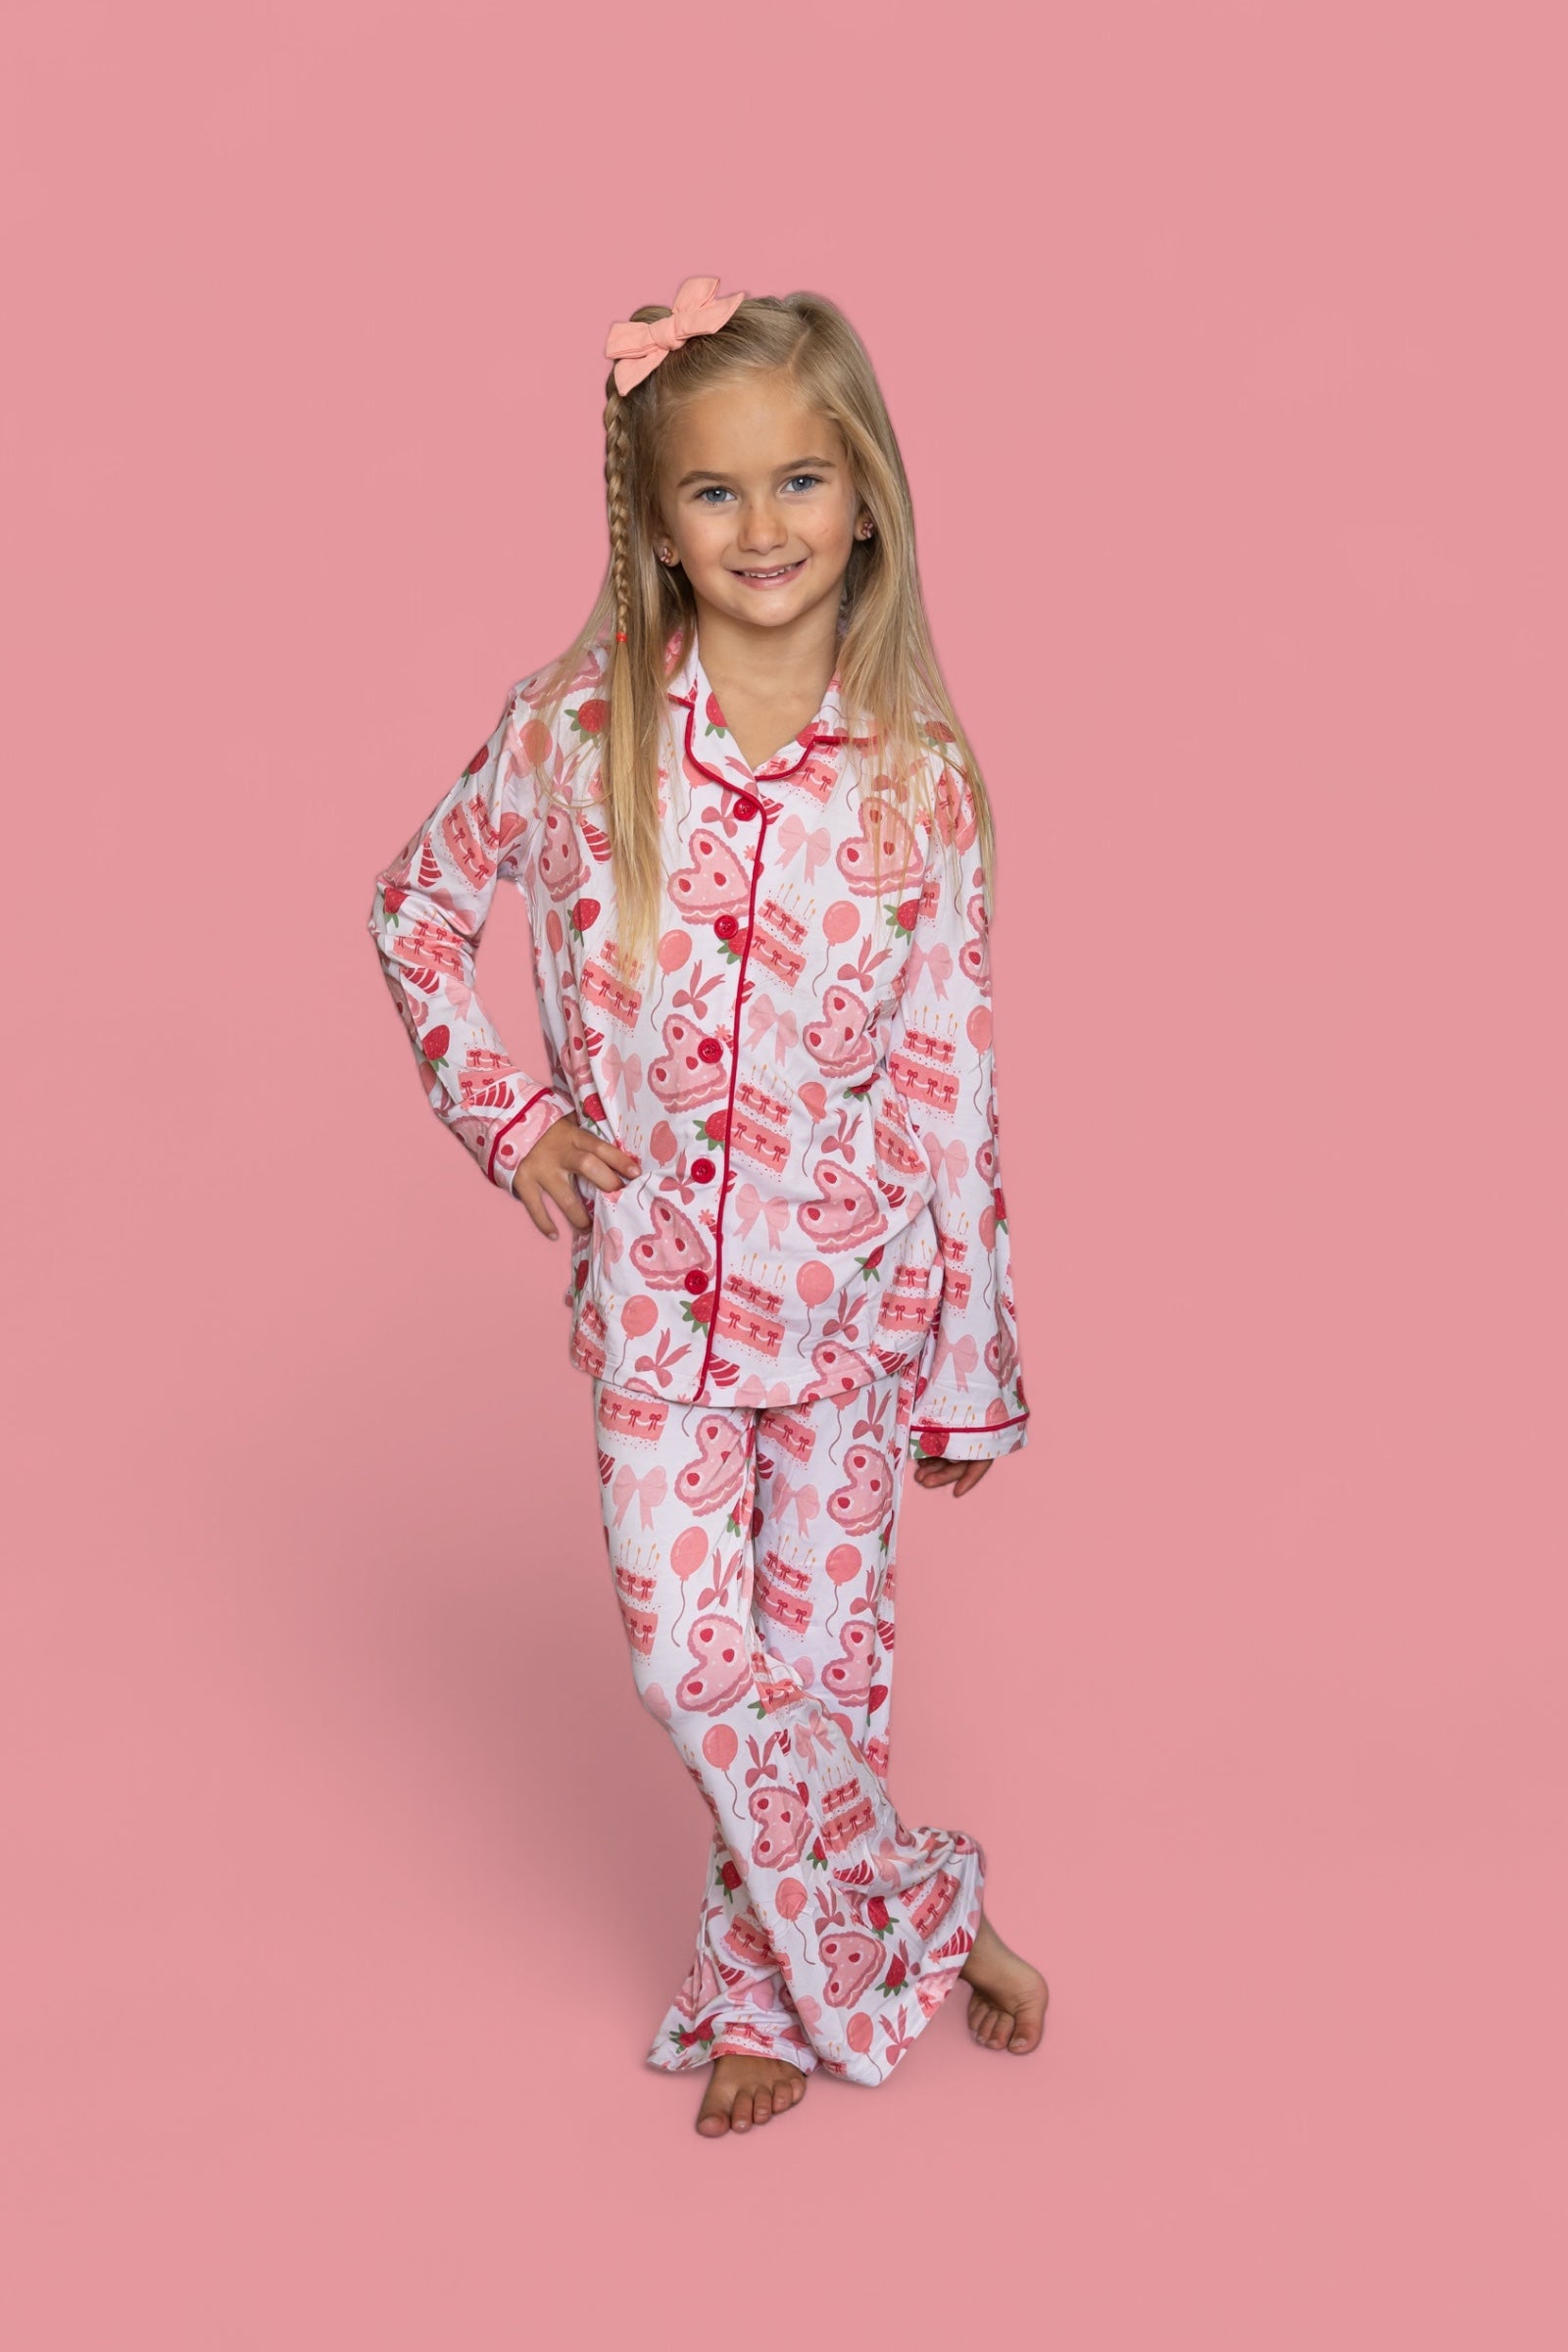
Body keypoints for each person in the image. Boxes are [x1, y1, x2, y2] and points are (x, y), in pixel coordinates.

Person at [367, 276, 1049, 2137]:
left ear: (867, 498)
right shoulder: (574, 733)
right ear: (657, 522)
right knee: (697, 1663)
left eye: (800, 481)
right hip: (657, 1314)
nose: (763, 526)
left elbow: (957, 1087)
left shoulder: (921, 785)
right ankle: (934, 1906)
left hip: (855, 1322)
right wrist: (512, 1121)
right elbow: (417, 913)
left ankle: (760, 1995)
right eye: (717, 491)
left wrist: (970, 1374)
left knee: (821, 1672)